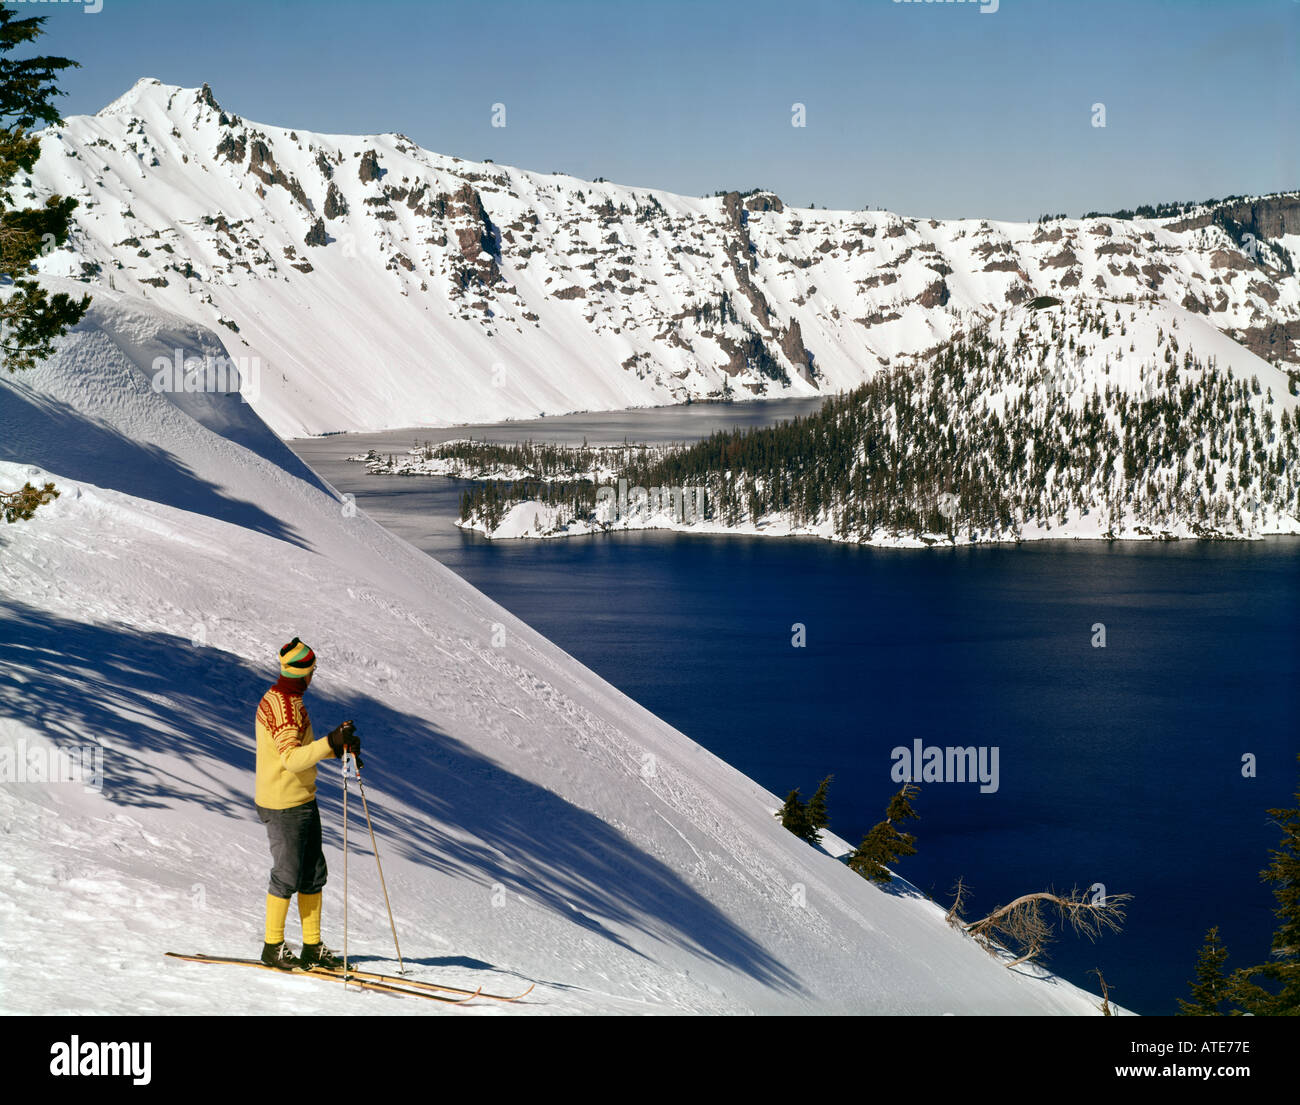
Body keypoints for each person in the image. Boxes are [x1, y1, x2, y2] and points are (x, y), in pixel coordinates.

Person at [254, 636, 361, 970]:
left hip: (300, 798)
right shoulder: (286, 708)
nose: (314, 676)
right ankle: (273, 947)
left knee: (313, 873)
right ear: (305, 673)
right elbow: (291, 759)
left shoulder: (284, 698)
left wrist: (337, 746)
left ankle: (312, 947)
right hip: (285, 803)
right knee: (287, 875)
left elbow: (300, 753)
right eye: (313, 670)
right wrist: (330, 741)